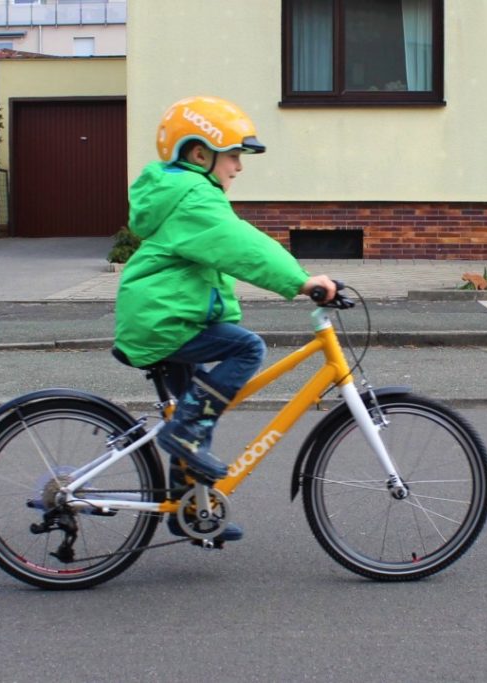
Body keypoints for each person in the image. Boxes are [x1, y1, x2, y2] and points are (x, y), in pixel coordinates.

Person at [113, 95, 336, 542]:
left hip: (166, 318)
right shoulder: (194, 198)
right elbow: (240, 245)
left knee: (195, 409)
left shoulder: (181, 193)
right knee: (245, 349)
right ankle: (184, 437)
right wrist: (300, 280)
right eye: (233, 154)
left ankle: (189, 509)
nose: (239, 166)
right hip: (165, 322)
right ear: (200, 153)